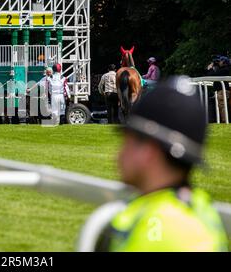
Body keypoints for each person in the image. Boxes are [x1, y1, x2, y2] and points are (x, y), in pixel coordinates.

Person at [95, 76, 228, 252]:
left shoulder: (161, 230)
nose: (117, 155)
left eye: (127, 142)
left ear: (149, 151)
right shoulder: (197, 209)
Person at [206, 56, 230, 123]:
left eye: (220, 61)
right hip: (221, 91)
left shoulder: (225, 70)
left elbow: (211, 75)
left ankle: (225, 122)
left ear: (224, 62)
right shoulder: (223, 69)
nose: (219, 62)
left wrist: (210, 69)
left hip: (222, 91)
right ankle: (224, 121)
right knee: (221, 106)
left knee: (223, 107)